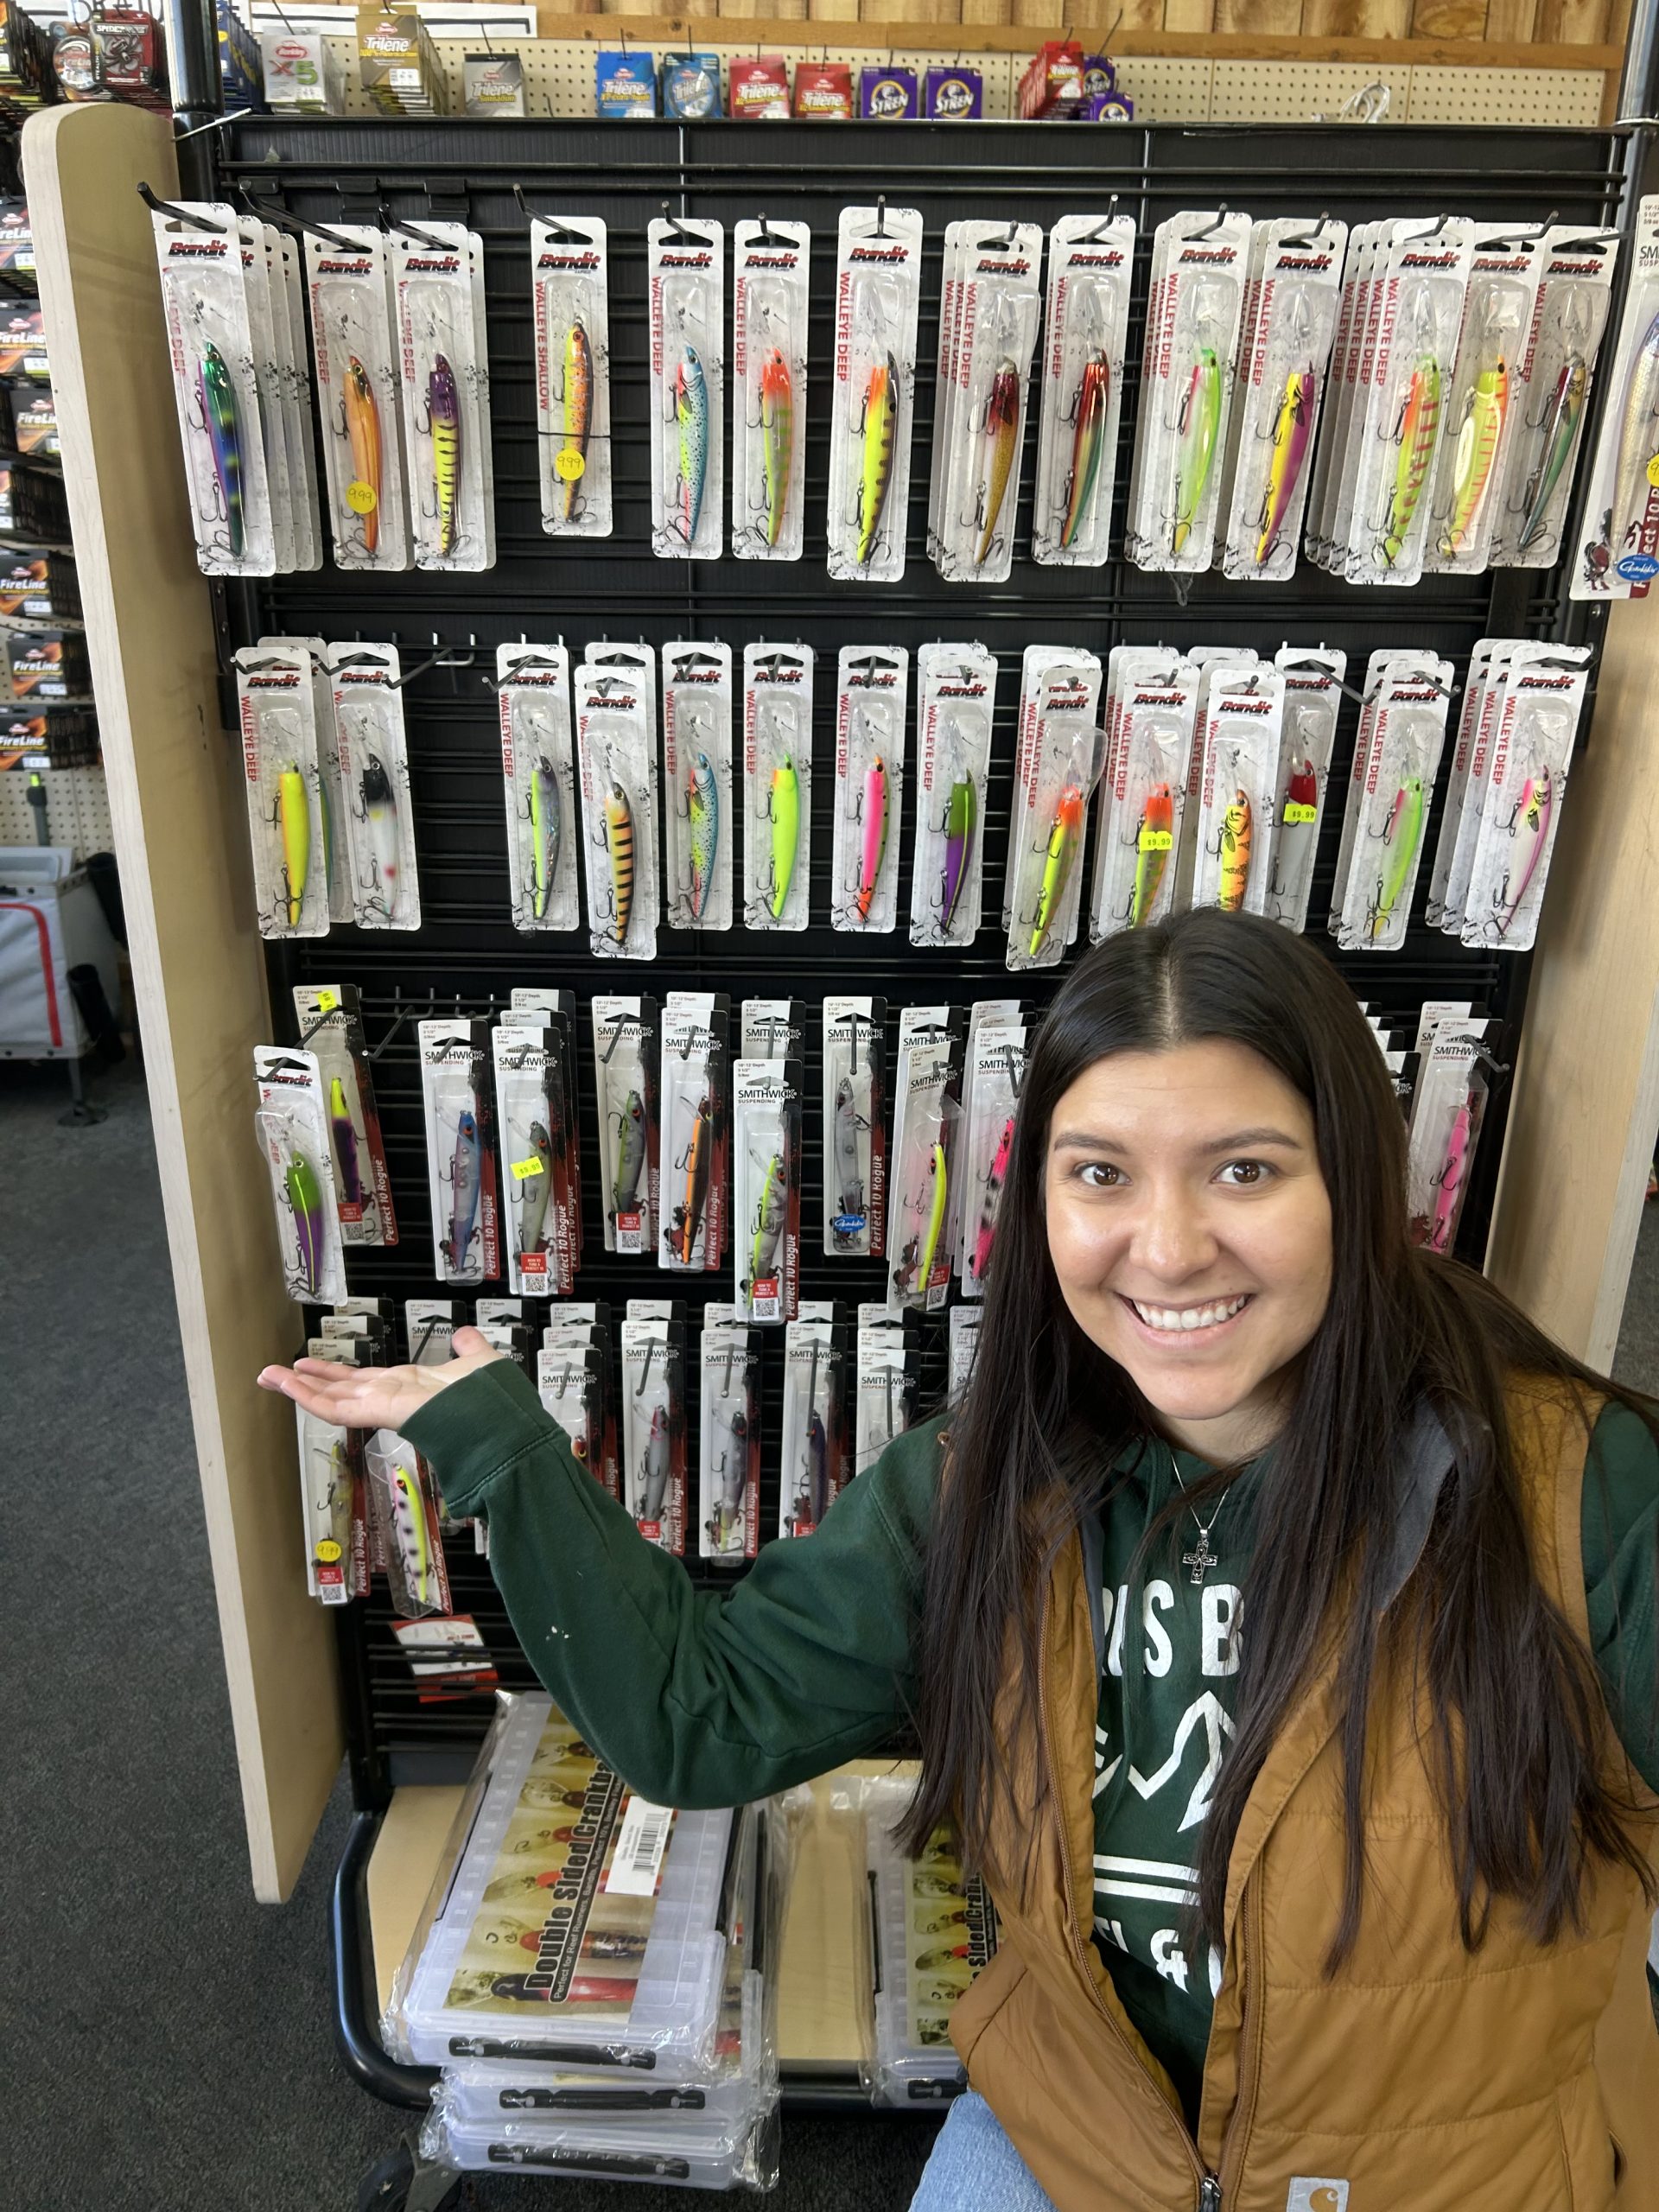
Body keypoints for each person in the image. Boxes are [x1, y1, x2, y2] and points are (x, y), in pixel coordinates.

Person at [260, 910, 1659, 2212]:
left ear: (1354, 1177)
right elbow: (702, 1718)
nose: (1169, 1249)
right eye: (1101, 1174)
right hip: (1086, 2132)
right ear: (1038, 1196)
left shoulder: (1573, 1497)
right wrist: (502, 1446)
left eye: (1246, 1169)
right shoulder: (981, 1485)